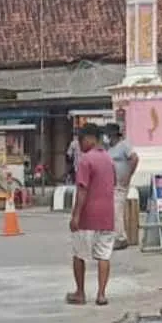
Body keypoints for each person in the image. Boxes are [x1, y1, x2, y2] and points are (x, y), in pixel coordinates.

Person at [67, 124, 117, 307]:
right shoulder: (109, 160)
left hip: (88, 216)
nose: (79, 145)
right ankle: (101, 294)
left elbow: (82, 190)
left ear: (89, 138)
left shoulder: (86, 161)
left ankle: (80, 293)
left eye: (81, 140)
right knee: (104, 255)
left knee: (79, 254)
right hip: (107, 216)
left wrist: (76, 216)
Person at [105, 122, 139, 250]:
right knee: (114, 210)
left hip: (121, 183)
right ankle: (117, 235)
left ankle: (120, 238)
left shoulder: (124, 145)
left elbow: (134, 158)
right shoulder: (110, 148)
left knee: (116, 210)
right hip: (112, 183)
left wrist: (128, 175)